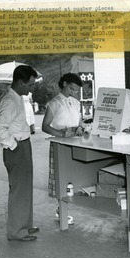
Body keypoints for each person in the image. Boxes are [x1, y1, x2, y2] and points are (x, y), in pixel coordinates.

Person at [0, 65, 39, 242]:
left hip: (23, 145)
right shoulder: (10, 100)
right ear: (20, 82)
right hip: (17, 149)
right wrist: (13, 145)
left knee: (25, 187)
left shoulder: (17, 96)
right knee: (19, 190)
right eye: (29, 85)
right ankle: (16, 231)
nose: (31, 88)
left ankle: (24, 225)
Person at [42, 73, 84, 225]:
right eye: (72, 89)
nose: (73, 92)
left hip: (75, 142)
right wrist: (60, 133)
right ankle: (61, 209)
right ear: (64, 84)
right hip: (60, 143)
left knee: (73, 178)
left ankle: (65, 207)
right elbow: (45, 126)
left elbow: (79, 122)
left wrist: (80, 128)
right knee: (60, 178)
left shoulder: (76, 102)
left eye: (76, 90)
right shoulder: (54, 103)